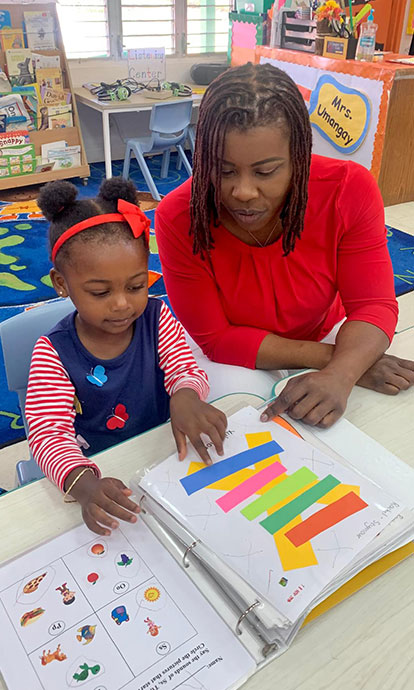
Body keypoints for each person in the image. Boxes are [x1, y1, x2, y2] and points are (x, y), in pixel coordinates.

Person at [155, 62, 414, 430]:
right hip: (234, 352)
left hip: (327, 330)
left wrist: (342, 373)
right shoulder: (179, 216)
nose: (243, 192)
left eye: (265, 172)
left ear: (299, 158)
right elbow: (216, 337)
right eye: (224, 170)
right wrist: (341, 364)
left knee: (372, 426)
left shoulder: (348, 189)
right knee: (237, 429)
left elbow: (372, 304)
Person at [26, 178, 227, 536]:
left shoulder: (155, 316)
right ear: (61, 283)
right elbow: (48, 435)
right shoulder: (52, 351)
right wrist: (84, 485)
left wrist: (184, 395)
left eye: (136, 286)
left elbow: (184, 367)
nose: (122, 304)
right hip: (98, 471)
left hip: (164, 452)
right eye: (100, 292)